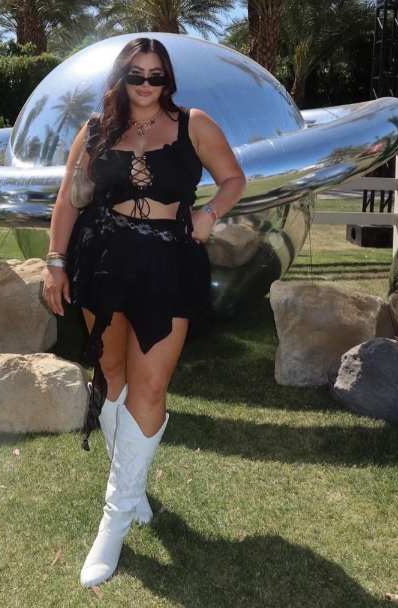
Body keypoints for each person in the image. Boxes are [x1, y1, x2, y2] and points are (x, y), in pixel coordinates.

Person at [40, 37, 245, 588]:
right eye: (137, 75)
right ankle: (132, 492)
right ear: (121, 77)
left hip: (168, 262)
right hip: (100, 258)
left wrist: (211, 212)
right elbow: (68, 200)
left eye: (157, 76)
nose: (148, 86)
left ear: (168, 80)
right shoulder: (96, 129)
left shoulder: (193, 123)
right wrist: (55, 262)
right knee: (111, 375)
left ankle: (113, 519)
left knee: (150, 389)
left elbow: (233, 178)